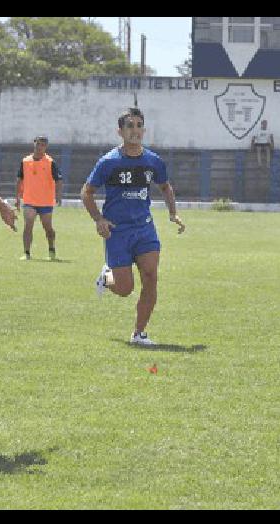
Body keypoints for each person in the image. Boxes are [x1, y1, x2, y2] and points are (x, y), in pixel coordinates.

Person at [81, 107, 186, 346]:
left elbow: (165, 187)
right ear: (120, 131)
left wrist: (173, 214)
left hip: (145, 229)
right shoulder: (108, 162)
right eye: (130, 126)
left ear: (144, 130)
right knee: (124, 288)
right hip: (117, 232)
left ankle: (139, 333)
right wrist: (99, 219)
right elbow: (86, 193)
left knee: (150, 276)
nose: (135, 130)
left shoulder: (153, 161)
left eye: (139, 125)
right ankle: (106, 277)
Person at [15, 135, 63, 260]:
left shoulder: (50, 162)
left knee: (48, 228)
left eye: (43, 145)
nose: (40, 147)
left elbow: (59, 180)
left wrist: (58, 195)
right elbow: (19, 179)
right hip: (29, 200)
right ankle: (26, 253)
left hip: (45, 201)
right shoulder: (25, 161)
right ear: (34, 144)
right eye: (38, 144)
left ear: (46, 147)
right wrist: (17, 197)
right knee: (28, 225)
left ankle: (51, 249)